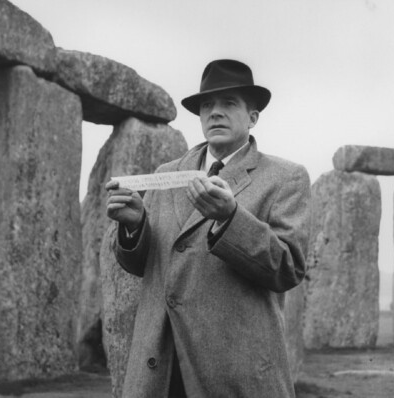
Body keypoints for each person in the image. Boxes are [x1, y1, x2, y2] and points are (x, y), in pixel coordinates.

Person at [105, 59, 311, 398]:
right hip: (161, 366)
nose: (215, 113)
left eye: (229, 104)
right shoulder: (167, 172)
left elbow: (288, 268)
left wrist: (231, 219)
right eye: (206, 106)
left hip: (232, 373)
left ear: (253, 117)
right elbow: (147, 266)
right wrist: (135, 226)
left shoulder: (285, 178)